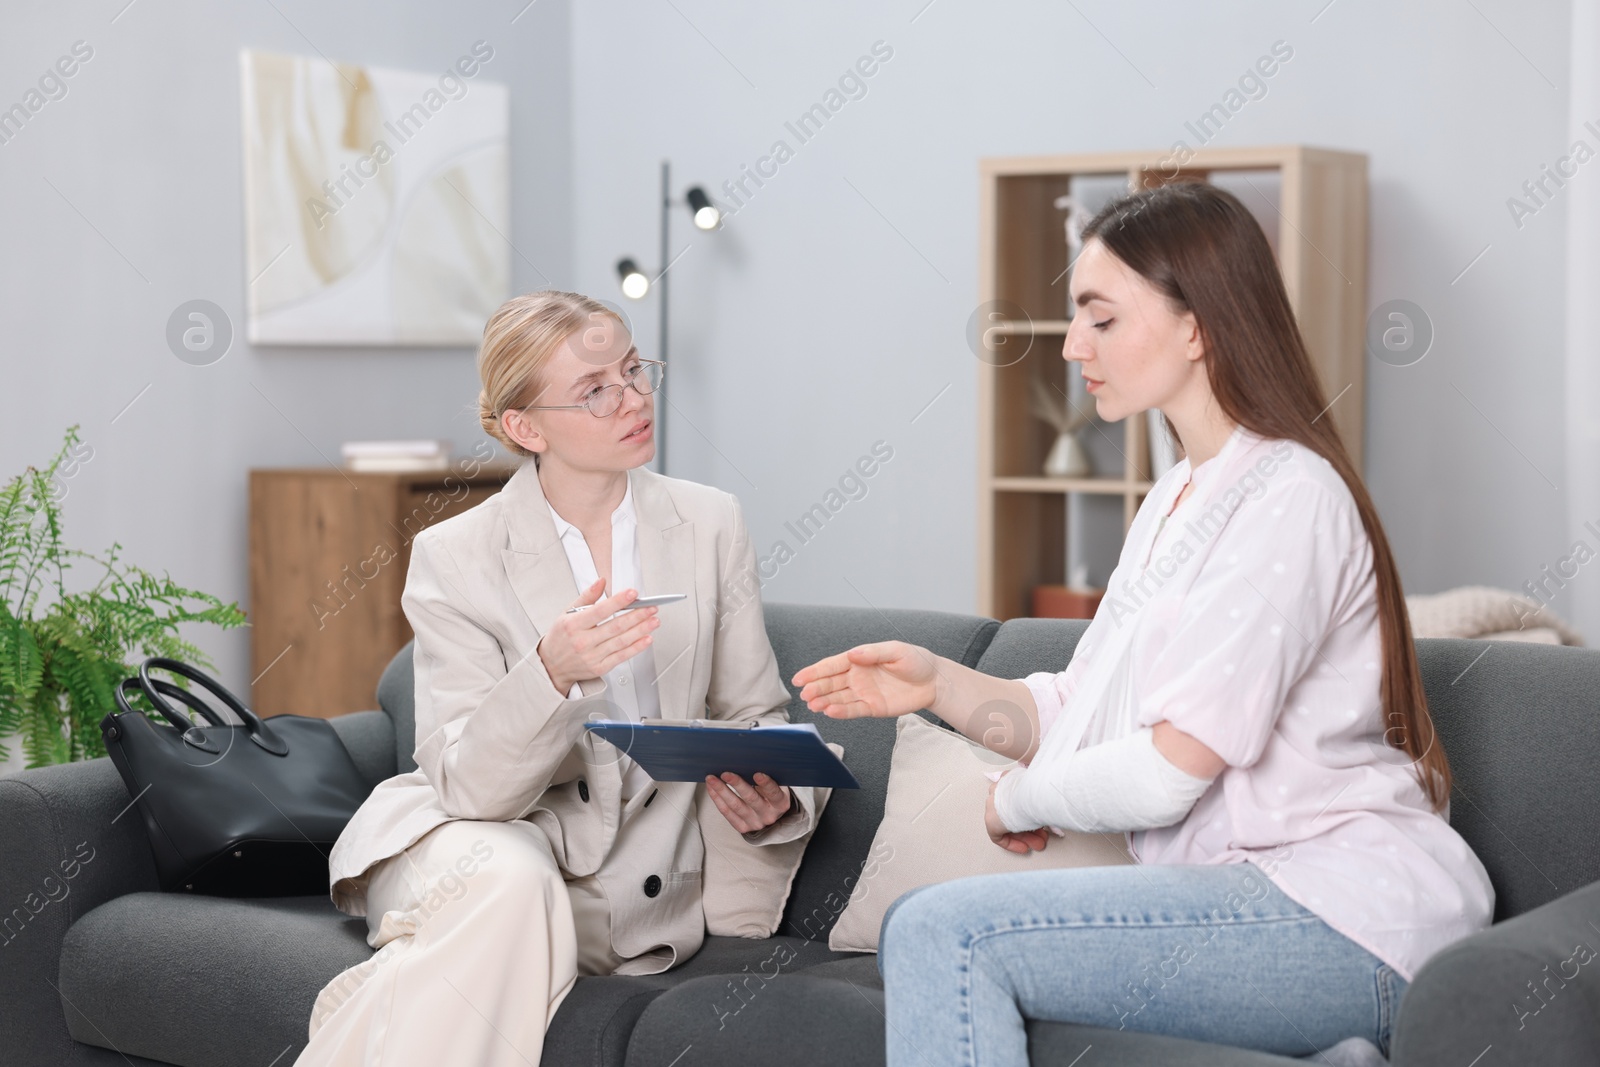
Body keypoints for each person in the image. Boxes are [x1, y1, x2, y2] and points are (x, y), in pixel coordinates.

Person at [792, 182, 1493, 1066]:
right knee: (935, 934)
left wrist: (1013, 798)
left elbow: (1169, 772)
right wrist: (940, 683)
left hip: (1350, 914)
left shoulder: (1290, 498)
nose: (1073, 345)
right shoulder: (1174, 496)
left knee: (943, 933)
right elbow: (1081, 708)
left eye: (1101, 319)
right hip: (1245, 896)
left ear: (1196, 326)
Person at [295, 290, 821, 1067]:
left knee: (510, 906)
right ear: (524, 426)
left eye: (635, 370)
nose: (634, 398)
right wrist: (551, 673)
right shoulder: (456, 555)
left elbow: (754, 711)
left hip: (630, 890)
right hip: (471, 841)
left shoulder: (712, 522)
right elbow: (471, 790)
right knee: (512, 879)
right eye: (595, 389)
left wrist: (775, 791)